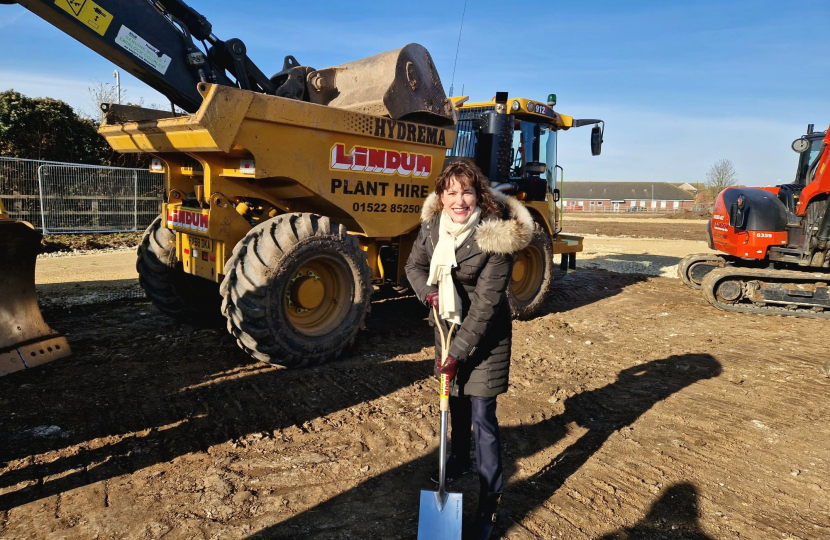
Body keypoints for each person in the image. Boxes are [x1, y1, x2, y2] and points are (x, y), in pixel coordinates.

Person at [405, 159, 533, 539]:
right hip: (446, 331)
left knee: (483, 417)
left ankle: (489, 503)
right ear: (441, 196)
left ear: (478, 194)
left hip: (485, 337)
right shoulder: (432, 228)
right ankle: (458, 458)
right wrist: (428, 292)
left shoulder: (496, 237)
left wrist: (456, 355)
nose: (459, 200)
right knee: (455, 401)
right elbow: (414, 266)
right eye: (451, 192)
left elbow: (486, 306)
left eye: (466, 191)